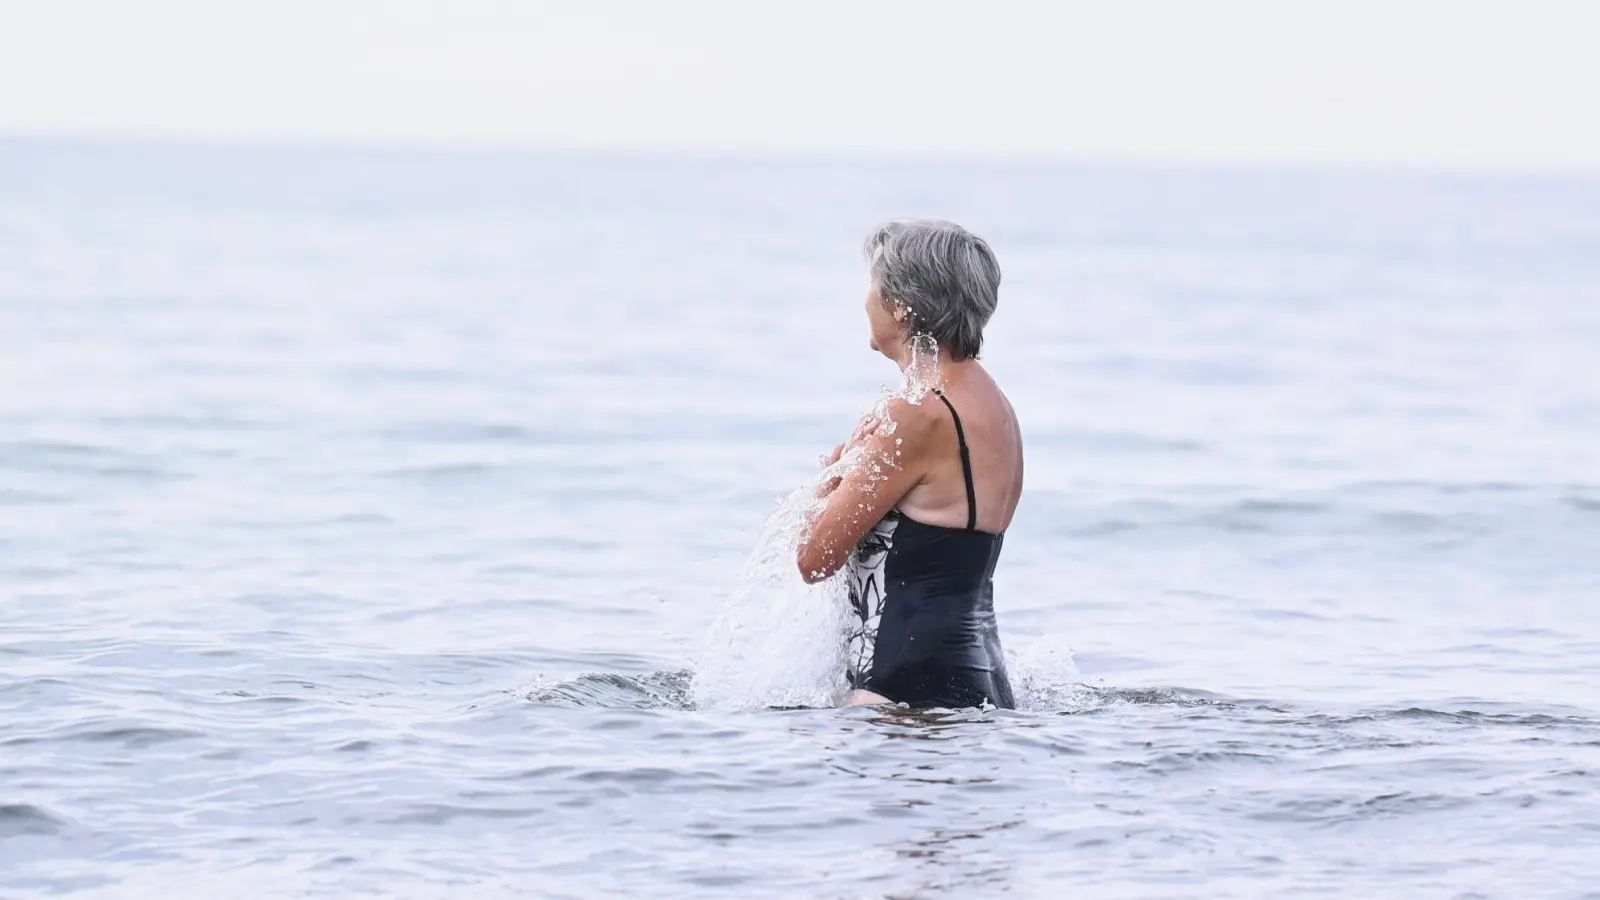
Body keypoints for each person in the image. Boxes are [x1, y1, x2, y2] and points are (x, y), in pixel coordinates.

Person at [798, 219, 1023, 710]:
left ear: (901, 306)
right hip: (983, 684)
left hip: (899, 692)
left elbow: (814, 558)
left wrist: (835, 471)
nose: (865, 300)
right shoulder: (995, 407)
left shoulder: (916, 416)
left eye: (874, 284)